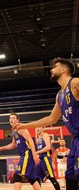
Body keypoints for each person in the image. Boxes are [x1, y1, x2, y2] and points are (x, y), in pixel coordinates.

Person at [14, 57, 78, 190]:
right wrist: (25, 126)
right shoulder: (59, 95)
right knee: (70, 176)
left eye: (55, 67)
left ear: (64, 69)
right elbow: (51, 119)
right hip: (75, 141)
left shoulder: (75, 83)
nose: (52, 69)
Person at [0, 113, 40, 190]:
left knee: (17, 175)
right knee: (32, 178)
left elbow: (30, 140)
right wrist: (2, 148)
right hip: (24, 154)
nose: (11, 120)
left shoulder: (21, 128)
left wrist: (34, 154)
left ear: (17, 120)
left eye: (13, 118)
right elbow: (13, 144)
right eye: (10, 118)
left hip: (27, 153)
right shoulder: (14, 131)